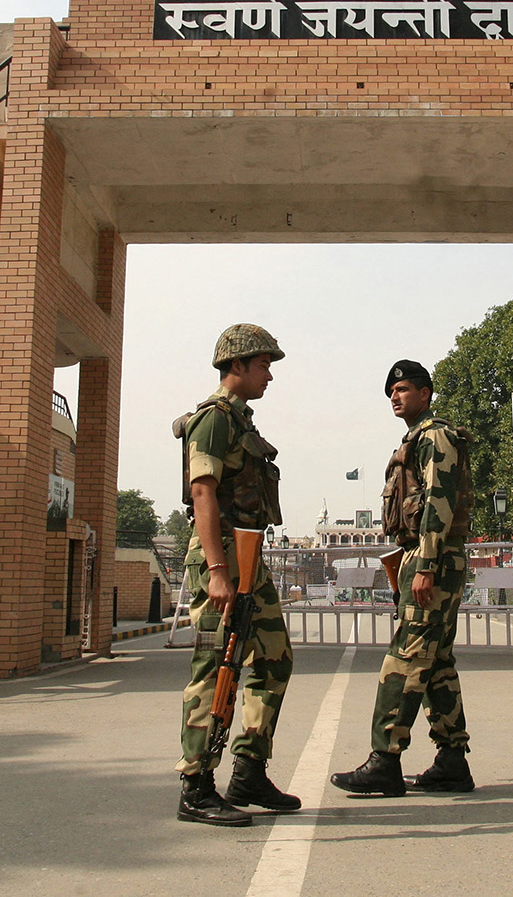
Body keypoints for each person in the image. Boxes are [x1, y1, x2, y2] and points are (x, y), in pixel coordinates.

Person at [173, 324, 300, 827]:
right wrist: (218, 572)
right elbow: (202, 493)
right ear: (237, 366)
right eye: (264, 365)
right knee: (215, 665)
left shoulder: (240, 421)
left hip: (248, 554)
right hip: (220, 556)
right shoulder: (214, 420)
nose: (270, 375)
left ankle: (248, 768)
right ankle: (196, 783)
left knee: (274, 658)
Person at [331, 359, 475, 798]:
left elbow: (438, 500)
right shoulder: (415, 439)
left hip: (434, 557)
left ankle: (384, 760)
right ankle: (452, 761)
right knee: (436, 663)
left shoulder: (435, 437)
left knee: (406, 657)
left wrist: (427, 563)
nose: (396, 396)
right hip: (423, 555)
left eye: (405, 389)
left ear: (426, 392)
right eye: (391, 391)